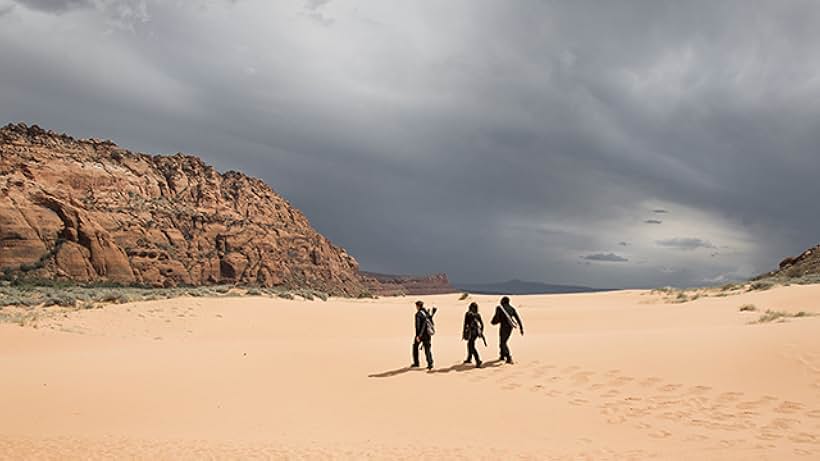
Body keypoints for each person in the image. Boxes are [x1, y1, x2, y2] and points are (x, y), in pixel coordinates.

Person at [490, 296, 524, 364]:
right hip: (510, 327)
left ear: (503, 301)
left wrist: (493, 322)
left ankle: (508, 357)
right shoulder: (512, 308)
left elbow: (497, 317)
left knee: (503, 342)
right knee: (503, 341)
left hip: (503, 327)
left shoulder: (499, 308)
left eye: (501, 300)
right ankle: (502, 355)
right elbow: (517, 318)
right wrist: (521, 328)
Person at [412, 300, 435, 370]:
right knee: (427, 349)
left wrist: (418, 336)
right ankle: (430, 363)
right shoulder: (426, 313)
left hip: (421, 335)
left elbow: (418, 326)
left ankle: (416, 363)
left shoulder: (418, 314)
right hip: (428, 334)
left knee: (415, 347)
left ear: (418, 306)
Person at [462, 302, 485, 368]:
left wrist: (464, 333)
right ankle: (469, 358)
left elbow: (465, 324)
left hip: (471, 332)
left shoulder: (468, 314)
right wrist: (481, 332)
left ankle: (478, 360)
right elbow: (482, 324)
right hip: (476, 333)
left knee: (471, 346)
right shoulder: (478, 315)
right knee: (470, 344)